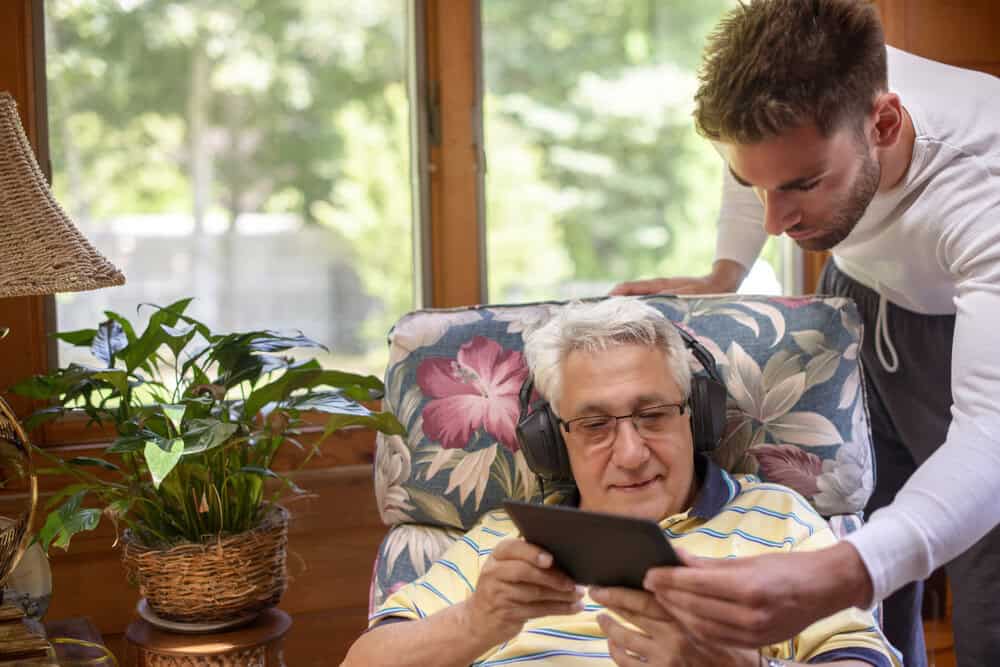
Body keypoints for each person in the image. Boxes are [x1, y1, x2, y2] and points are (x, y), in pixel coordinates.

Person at [611, 1, 1000, 666]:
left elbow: (991, 438)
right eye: (754, 184)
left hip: (961, 322)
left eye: (804, 184)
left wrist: (836, 573)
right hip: (859, 297)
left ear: (884, 122)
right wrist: (726, 271)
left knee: (980, 564)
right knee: (857, 537)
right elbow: (761, 161)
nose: (774, 223)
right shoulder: (806, 97)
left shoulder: (983, 182)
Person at [343, 298, 899, 667]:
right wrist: (477, 620)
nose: (631, 455)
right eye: (594, 425)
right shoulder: (502, 540)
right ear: (554, 442)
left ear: (697, 415)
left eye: (654, 413)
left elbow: (859, 657)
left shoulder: (779, 518)